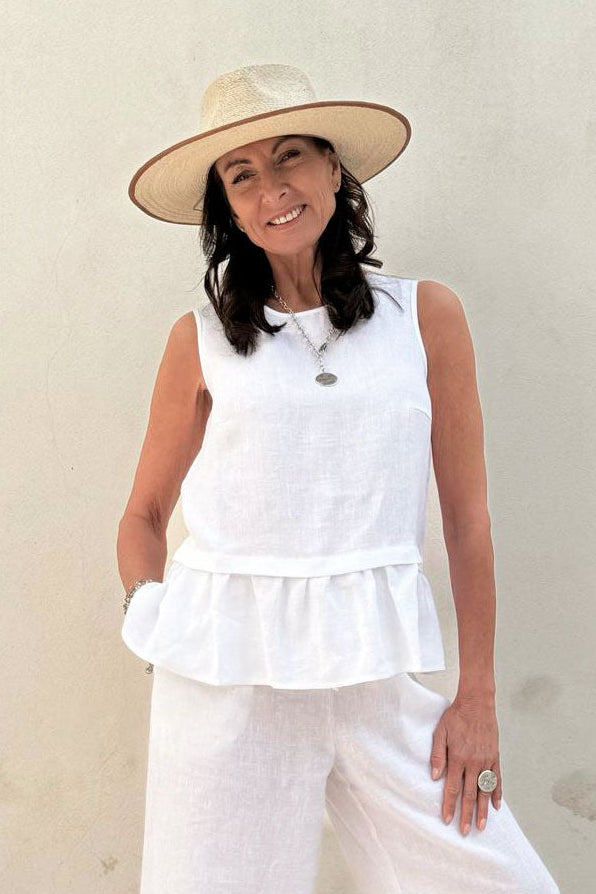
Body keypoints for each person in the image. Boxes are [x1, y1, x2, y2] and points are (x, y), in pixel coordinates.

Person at [118, 64, 560, 893]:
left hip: (374, 680)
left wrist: (477, 697)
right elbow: (143, 513)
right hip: (225, 682)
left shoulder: (424, 317)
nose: (272, 188)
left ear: (333, 168)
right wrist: (153, 621)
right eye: (242, 175)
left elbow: (467, 522)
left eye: (290, 155)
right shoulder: (200, 340)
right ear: (228, 209)